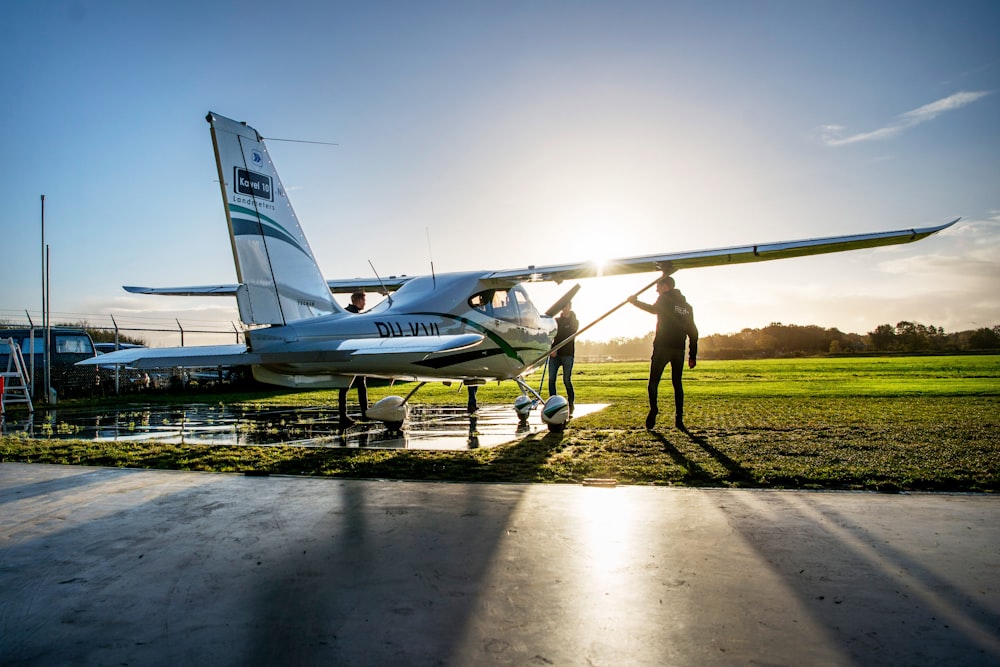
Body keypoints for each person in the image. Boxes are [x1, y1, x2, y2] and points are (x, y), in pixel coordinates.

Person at [628, 276, 698, 430]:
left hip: (662, 347)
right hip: (679, 349)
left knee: (653, 382)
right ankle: (679, 419)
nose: (656, 290)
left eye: (658, 287)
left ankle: (654, 410)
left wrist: (635, 302)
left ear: (666, 286)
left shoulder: (664, 299)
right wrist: (692, 355)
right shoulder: (687, 307)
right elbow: (693, 332)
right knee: (677, 383)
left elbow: (653, 310)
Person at [339, 291, 369, 426]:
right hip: (353, 354)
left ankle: (344, 415)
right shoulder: (355, 316)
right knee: (358, 384)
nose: (365, 303)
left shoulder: (344, 313)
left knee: (346, 385)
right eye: (363, 300)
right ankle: (364, 413)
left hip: (346, 353)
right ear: (357, 300)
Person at [547, 302, 579, 415]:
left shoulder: (574, 321)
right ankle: (553, 403)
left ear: (570, 307)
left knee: (566, 380)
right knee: (551, 380)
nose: (565, 309)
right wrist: (552, 349)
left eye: (567, 307)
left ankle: (571, 403)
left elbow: (568, 334)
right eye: (563, 307)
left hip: (568, 354)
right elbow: (551, 335)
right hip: (555, 355)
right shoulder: (556, 321)